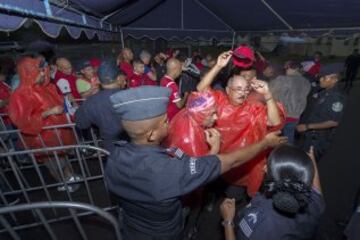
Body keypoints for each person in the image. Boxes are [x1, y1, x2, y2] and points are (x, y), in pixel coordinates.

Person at [105, 86, 287, 240]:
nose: (169, 124)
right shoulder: (169, 172)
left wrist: (201, 153)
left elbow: (170, 154)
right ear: (151, 134)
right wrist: (265, 143)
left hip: (129, 226)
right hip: (162, 234)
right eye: (164, 122)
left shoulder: (115, 155)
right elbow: (231, 162)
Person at [197, 50, 285, 198]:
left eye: (245, 90)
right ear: (227, 90)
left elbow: (275, 123)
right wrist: (218, 66)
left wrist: (268, 96)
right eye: (238, 89)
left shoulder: (253, 109)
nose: (242, 93)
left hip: (240, 166)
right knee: (212, 192)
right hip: (217, 161)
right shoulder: (219, 101)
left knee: (232, 198)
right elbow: (201, 89)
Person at [220, 145, 324, 240]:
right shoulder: (313, 202)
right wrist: (309, 162)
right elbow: (317, 191)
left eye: (268, 166)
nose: (264, 168)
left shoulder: (263, 224)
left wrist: (228, 221)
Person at [8, 56, 79, 191]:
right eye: (39, 71)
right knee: (53, 164)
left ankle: (70, 177)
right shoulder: (21, 94)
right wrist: (48, 112)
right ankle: (63, 184)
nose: (42, 74)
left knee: (63, 159)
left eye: (42, 70)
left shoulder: (46, 87)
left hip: (58, 133)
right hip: (42, 138)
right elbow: (23, 121)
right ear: (28, 73)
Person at [296, 64, 346, 161]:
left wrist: (307, 126)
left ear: (334, 79)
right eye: (320, 77)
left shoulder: (336, 97)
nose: (321, 79)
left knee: (310, 164)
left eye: (324, 77)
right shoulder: (324, 92)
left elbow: (333, 122)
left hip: (318, 139)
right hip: (310, 135)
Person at [75, 61, 127, 152]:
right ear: (119, 78)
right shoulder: (131, 95)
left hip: (111, 148)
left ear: (98, 80)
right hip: (134, 143)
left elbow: (81, 123)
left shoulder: (91, 102)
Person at [269, 61, 311, 143]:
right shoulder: (306, 82)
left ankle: (275, 154)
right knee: (289, 138)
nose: (285, 70)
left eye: (287, 68)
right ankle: (288, 153)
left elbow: (269, 91)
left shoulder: (283, 79)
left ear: (294, 69)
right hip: (296, 116)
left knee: (273, 137)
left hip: (281, 115)